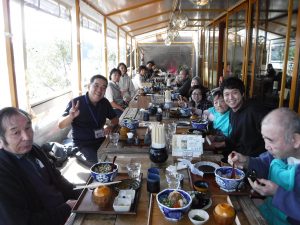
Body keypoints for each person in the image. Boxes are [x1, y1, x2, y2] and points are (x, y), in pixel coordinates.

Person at [0, 107, 80, 225]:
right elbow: (19, 221)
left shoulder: (34, 149)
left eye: (28, 128)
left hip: (67, 211)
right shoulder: (3, 171)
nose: (27, 137)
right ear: (1, 140)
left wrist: (83, 194)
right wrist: (66, 209)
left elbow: (57, 178)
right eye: (16, 132)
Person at [228, 108, 300, 225]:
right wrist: (246, 161)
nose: (266, 146)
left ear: (295, 140)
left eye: (271, 140)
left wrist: (277, 193)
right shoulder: (280, 154)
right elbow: (264, 164)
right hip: (270, 210)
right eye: (264, 139)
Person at [58, 75, 118, 165]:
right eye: (96, 86)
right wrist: (71, 116)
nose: (99, 90)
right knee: (102, 164)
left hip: (101, 140)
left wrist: (110, 126)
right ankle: (74, 152)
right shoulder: (76, 103)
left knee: (118, 156)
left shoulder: (104, 102)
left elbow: (115, 119)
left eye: (103, 87)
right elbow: (60, 125)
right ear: (89, 86)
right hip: (82, 145)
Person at [213, 76, 269, 158]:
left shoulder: (255, 111)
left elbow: (272, 137)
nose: (230, 97)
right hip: (236, 156)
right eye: (227, 94)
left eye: (234, 93)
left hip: (252, 160)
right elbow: (236, 137)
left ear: (242, 93)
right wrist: (219, 143)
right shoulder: (232, 111)